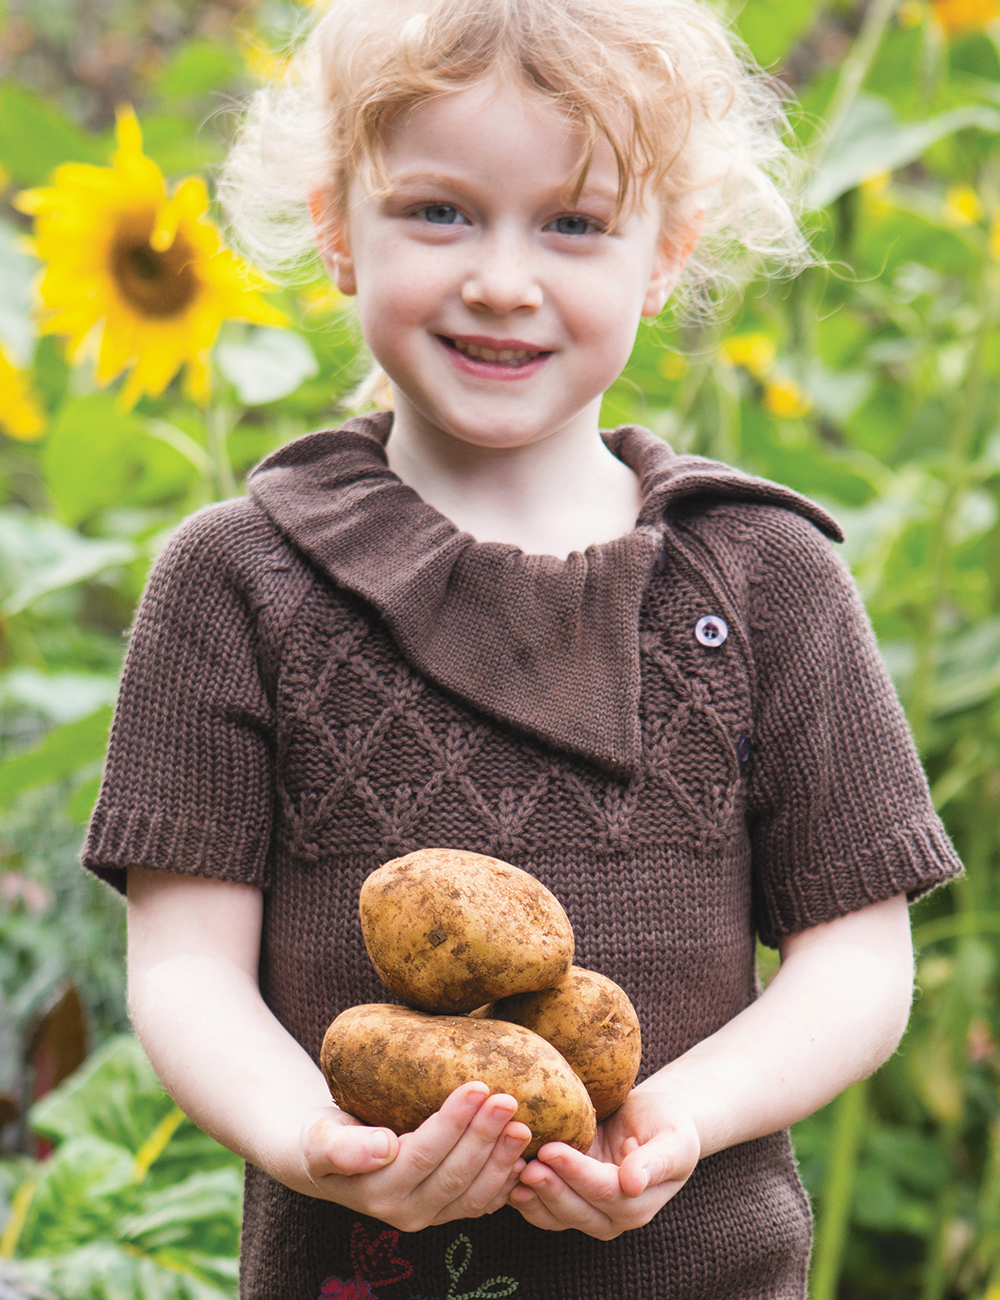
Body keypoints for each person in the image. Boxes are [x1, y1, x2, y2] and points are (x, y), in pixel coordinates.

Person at [82, 0, 963, 1296]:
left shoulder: (768, 578)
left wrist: (684, 1117)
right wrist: (310, 1139)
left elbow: (861, 959)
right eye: (440, 211)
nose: (503, 277)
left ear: (665, 254)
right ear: (338, 228)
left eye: (574, 223)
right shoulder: (235, 583)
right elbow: (183, 970)